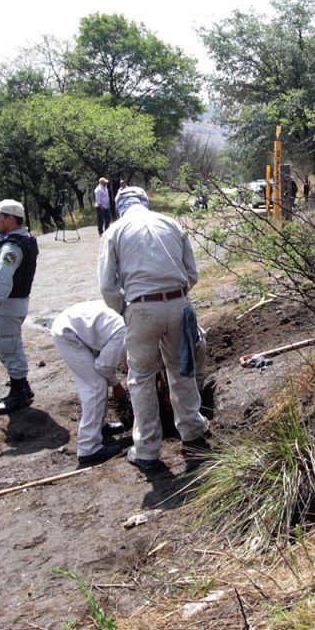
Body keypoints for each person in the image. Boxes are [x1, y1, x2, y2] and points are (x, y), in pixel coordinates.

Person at [97, 186, 211, 474]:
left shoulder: (115, 231)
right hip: (178, 304)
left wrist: (126, 309)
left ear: (119, 207)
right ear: (145, 202)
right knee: (181, 369)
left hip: (141, 307)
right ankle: (193, 432)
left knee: (141, 378)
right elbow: (192, 274)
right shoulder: (172, 223)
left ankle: (147, 450)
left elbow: (107, 286)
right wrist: (177, 298)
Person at [49, 300, 129, 467]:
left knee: (97, 382)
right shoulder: (123, 333)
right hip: (68, 333)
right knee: (95, 386)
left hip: (81, 328)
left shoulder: (126, 321)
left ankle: (99, 425)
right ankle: (88, 447)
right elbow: (103, 366)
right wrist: (117, 385)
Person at [0, 199, 38, 415]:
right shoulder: (21, 240)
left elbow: (2, 279)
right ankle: (22, 386)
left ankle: (18, 393)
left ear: (10, 219)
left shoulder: (12, 246)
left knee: (8, 346)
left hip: (8, 304)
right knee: (11, 344)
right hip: (15, 303)